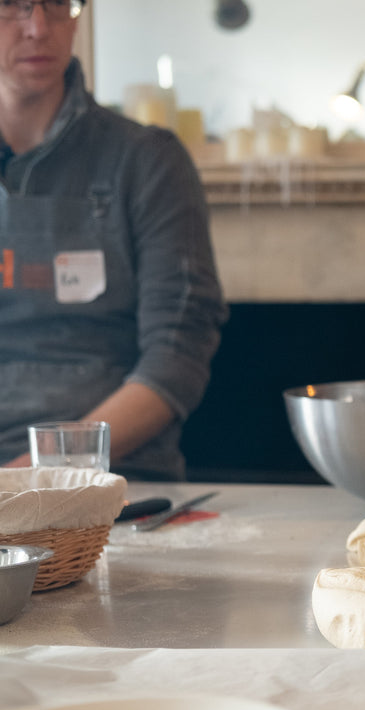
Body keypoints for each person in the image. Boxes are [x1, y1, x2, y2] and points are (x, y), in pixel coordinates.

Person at [0, 0, 226, 481]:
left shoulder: (148, 162)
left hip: (118, 484)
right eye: (11, 5)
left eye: (58, 3)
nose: (38, 27)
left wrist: (33, 477)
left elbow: (176, 356)